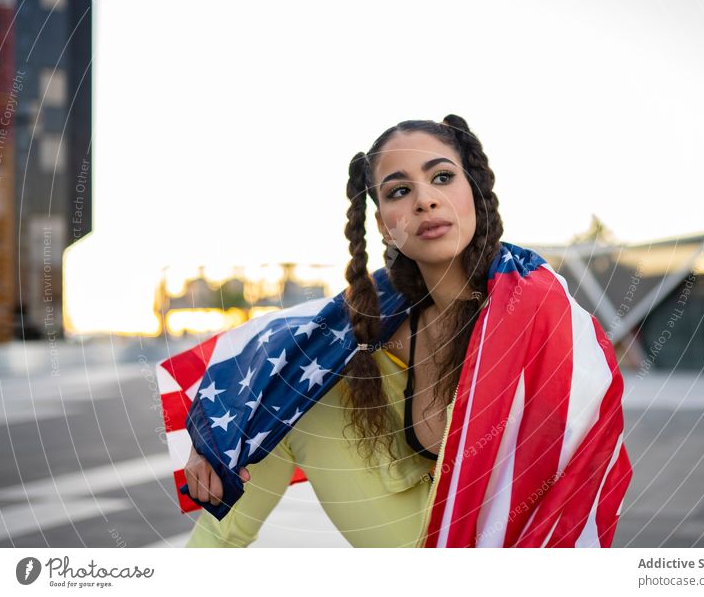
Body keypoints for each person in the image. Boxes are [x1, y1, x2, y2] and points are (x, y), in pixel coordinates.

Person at [181, 114, 630, 547]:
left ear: (474, 191)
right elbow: (265, 360)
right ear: (384, 227)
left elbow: (581, 462)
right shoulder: (368, 327)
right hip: (410, 541)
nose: (424, 200)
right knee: (293, 389)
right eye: (398, 190)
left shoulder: (536, 308)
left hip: (511, 547)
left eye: (441, 178)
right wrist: (218, 442)